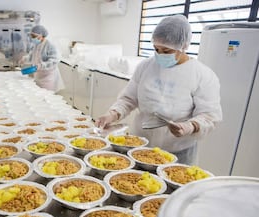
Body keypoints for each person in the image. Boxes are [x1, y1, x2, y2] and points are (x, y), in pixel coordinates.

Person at [95, 15, 222, 165]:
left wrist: (189, 127)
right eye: (156, 49)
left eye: (166, 51)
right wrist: (112, 114)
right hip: (140, 146)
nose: (160, 55)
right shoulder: (146, 66)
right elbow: (128, 99)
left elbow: (209, 116)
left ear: (184, 46)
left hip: (177, 151)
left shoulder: (202, 75)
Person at [22, 25, 64, 92]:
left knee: (47, 97)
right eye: (31, 36)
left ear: (41, 35)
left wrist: (40, 66)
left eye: (34, 36)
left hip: (48, 77)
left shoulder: (50, 45)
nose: (32, 38)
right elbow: (32, 55)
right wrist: (24, 59)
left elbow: (53, 62)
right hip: (38, 75)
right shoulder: (36, 44)